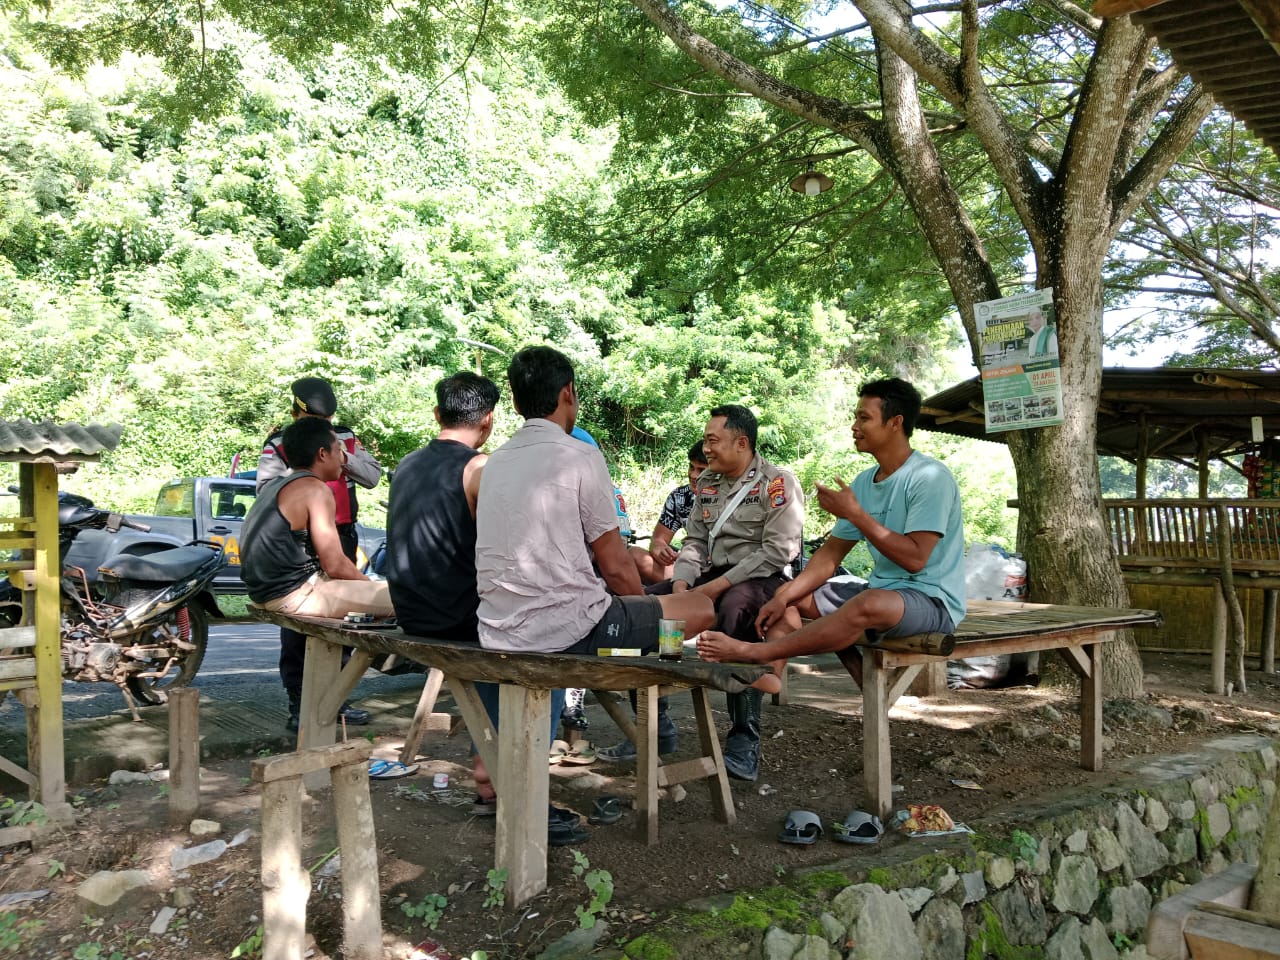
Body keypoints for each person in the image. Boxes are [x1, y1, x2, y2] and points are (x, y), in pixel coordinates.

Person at [695, 378, 966, 679]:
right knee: (784, 593)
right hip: (880, 592)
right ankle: (768, 676)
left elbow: (916, 559)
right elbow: (829, 556)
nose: (854, 426)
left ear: (895, 423)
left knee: (868, 603)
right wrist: (783, 597)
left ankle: (755, 653)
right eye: (855, 417)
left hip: (931, 601)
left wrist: (857, 515)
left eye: (864, 418)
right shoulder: (865, 481)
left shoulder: (929, 478)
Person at [599, 404, 804, 781]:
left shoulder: (777, 483)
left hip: (762, 579)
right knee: (640, 607)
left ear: (742, 443)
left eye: (713, 440)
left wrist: (715, 587)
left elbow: (778, 551)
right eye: (706, 441)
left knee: (737, 609)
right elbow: (694, 541)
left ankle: (745, 740)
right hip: (708, 575)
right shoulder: (708, 482)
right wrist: (681, 583)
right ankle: (655, 727)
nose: (706, 449)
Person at [474, 346, 714, 659]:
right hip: (568, 632)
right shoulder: (581, 456)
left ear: (517, 403)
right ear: (568, 393)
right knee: (701, 606)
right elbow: (615, 566)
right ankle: (654, 671)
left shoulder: (493, 463)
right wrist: (644, 609)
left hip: (496, 632)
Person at [384, 371, 508, 813]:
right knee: (536, 647)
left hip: (411, 613)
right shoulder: (480, 467)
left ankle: (490, 768)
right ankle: (495, 776)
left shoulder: (406, 465)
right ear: (489, 421)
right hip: (459, 619)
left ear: (437, 414)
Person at [257, 376, 383, 731]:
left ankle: (337, 697)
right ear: (296, 412)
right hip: (301, 538)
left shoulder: (343, 437)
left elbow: (373, 477)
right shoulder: (279, 444)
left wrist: (341, 457)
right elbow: (266, 490)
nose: (322, 428)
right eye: (314, 422)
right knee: (301, 626)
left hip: (341, 532)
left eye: (325, 423)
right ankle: (299, 702)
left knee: (343, 618)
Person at [241, 417, 393, 622]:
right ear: (322, 454)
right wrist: (368, 585)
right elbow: (335, 564)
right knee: (412, 599)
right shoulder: (315, 490)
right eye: (338, 450)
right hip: (296, 594)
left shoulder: (277, 485)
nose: (342, 457)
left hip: (266, 594)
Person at [629, 441, 710, 585]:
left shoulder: (733, 498)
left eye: (701, 470)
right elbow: (658, 540)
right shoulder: (680, 497)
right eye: (691, 467)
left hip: (723, 572)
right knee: (635, 555)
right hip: (689, 568)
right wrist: (661, 551)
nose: (693, 475)